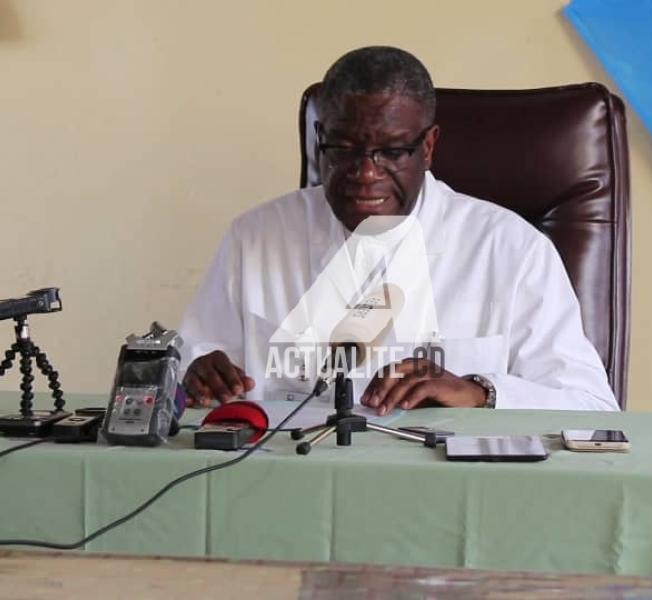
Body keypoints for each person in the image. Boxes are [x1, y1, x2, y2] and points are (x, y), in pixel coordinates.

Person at [179, 46, 618, 414]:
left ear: (428, 147)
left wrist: (480, 391)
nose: (365, 174)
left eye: (391, 152)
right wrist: (192, 376)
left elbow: (592, 407)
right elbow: (189, 367)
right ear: (320, 139)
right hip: (287, 489)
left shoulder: (510, 250)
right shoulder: (254, 238)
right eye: (345, 149)